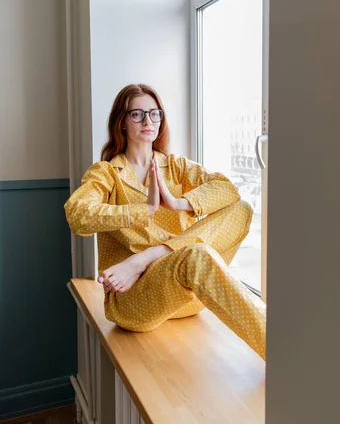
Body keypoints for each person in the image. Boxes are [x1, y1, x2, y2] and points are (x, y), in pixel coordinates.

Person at [64, 84, 266, 360]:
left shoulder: (176, 166)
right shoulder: (108, 173)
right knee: (196, 254)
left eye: (154, 114)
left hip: (187, 296)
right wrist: (143, 209)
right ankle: (281, 357)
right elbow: (77, 215)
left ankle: (148, 257)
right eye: (137, 114)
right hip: (134, 302)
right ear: (121, 122)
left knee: (241, 209)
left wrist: (179, 203)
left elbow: (228, 189)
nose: (148, 121)